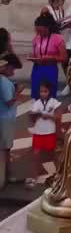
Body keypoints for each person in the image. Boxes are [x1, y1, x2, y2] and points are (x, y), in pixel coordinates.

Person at [28, 81, 62, 185]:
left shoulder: (54, 102)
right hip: (38, 132)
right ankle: (35, 176)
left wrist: (49, 116)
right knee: (35, 154)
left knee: (54, 154)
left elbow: (58, 117)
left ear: (49, 91)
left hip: (50, 132)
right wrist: (34, 115)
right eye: (41, 91)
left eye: (45, 91)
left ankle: (59, 175)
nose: (43, 93)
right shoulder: (36, 103)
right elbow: (31, 119)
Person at [29, 13, 66, 99]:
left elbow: (64, 58)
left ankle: (49, 111)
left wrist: (51, 58)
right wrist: (32, 57)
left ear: (48, 28)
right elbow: (35, 54)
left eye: (41, 31)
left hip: (50, 68)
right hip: (37, 68)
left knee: (50, 95)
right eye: (37, 31)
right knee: (36, 94)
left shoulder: (58, 38)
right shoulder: (36, 39)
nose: (39, 33)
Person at [0, 49, 21, 189]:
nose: (13, 72)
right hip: (5, 119)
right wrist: (18, 92)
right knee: (5, 148)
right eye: (12, 69)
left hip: (3, 118)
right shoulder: (4, 82)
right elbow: (8, 101)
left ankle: (7, 175)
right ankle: (4, 178)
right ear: (6, 67)